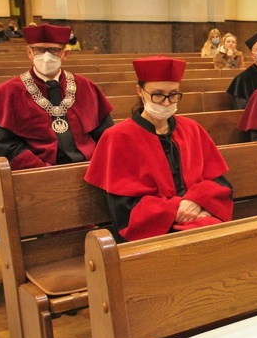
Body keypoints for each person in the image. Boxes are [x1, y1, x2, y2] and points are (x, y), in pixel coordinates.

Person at [85, 56, 233, 242]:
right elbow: (124, 210)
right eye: (158, 94)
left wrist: (196, 202)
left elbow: (221, 184)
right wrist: (178, 208)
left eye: (173, 94)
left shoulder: (192, 128)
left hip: (200, 217)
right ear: (140, 91)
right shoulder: (117, 137)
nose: (166, 103)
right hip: (154, 231)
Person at [0, 24, 114, 170]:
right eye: (39, 50)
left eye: (54, 50)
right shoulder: (7, 92)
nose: (46, 56)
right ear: (29, 53)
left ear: (65, 54)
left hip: (91, 169)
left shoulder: (86, 87)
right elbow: (6, 147)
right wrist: (45, 173)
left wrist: (97, 165)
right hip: (36, 175)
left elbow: (106, 135)